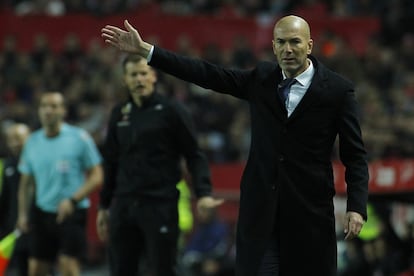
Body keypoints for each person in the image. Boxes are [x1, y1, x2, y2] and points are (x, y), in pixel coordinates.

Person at [100, 14, 369, 276]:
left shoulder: (337, 90)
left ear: (309, 45)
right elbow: (208, 74)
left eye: (295, 42)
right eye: (281, 42)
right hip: (260, 213)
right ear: (273, 46)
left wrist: (356, 206)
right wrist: (148, 51)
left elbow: (355, 155)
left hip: (308, 214)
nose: (288, 49)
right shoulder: (262, 79)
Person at [96, 54, 223, 276]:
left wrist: (203, 193)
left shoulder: (171, 111)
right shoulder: (119, 114)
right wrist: (104, 206)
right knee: (120, 269)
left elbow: (194, 154)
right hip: (124, 205)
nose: (139, 79)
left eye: (144, 73)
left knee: (162, 270)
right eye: (133, 74)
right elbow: (111, 162)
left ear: (154, 76)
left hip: (160, 204)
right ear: (125, 80)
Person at [16, 92, 103, 276]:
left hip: (72, 213)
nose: (48, 110)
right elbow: (26, 183)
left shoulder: (79, 138)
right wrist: (23, 215)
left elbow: (97, 175)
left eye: (54, 106)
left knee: (68, 268)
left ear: (63, 111)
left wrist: (72, 200)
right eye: (44, 106)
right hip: (42, 212)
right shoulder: (32, 142)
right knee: (36, 269)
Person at [0, 123, 31, 276]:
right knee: (22, 269)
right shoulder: (8, 165)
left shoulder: (38, 162)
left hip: (39, 226)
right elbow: (5, 199)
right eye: (10, 139)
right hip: (16, 228)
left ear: (29, 138)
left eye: (18, 138)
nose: (14, 143)